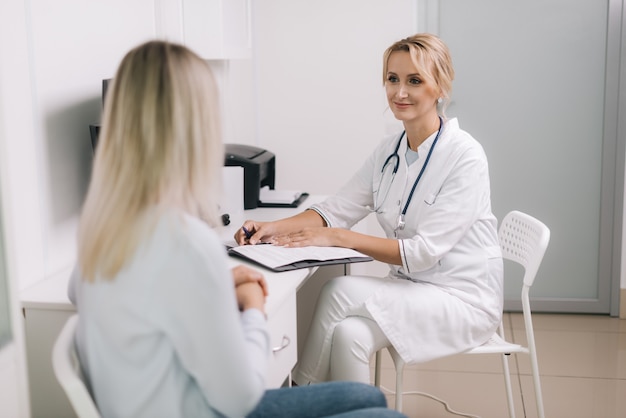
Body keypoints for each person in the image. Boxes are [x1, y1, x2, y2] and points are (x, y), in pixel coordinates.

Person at [68, 40, 406, 418]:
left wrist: (211, 284)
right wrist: (253, 308)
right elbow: (240, 397)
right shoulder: (185, 242)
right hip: (207, 407)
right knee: (385, 415)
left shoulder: (101, 232)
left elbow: (118, 294)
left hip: (170, 401)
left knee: (368, 399)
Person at [234, 33, 504, 386]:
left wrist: (340, 238)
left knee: (339, 292)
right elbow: (336, 210)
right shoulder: (388, 151)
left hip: (463, 298)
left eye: (414, 81)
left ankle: (299, 396)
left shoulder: (464, 156)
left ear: (440, 87)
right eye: (393, 79)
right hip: (412, 289)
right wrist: (275, 228)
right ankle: (354, 409)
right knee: (349, 335)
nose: (400, 92)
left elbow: (421, 254)